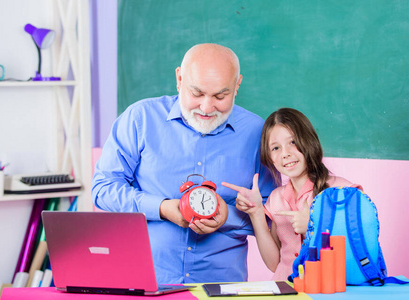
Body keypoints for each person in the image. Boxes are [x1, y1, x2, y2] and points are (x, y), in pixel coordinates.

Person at [92, 43, 276, 284]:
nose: (207, 107)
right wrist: (162, 208)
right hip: (144, 281)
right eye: (197, 93)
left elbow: (272, 217)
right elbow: (103, 189)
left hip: (222, 286)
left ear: (237, 85)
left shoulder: (257, 133)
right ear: (179, 78)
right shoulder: (140, 119)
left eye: (221, 96)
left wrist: (226, 216)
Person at [222, 108, 362, 280]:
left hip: (328, 292)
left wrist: (314, 227)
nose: (285, 153)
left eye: (293, 142)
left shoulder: (343, 191)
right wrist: (256, 212)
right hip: (286, 291)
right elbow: (275, 264)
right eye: (275, 148)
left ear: (309, 141)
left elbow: (358, 251)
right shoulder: (276, 199)